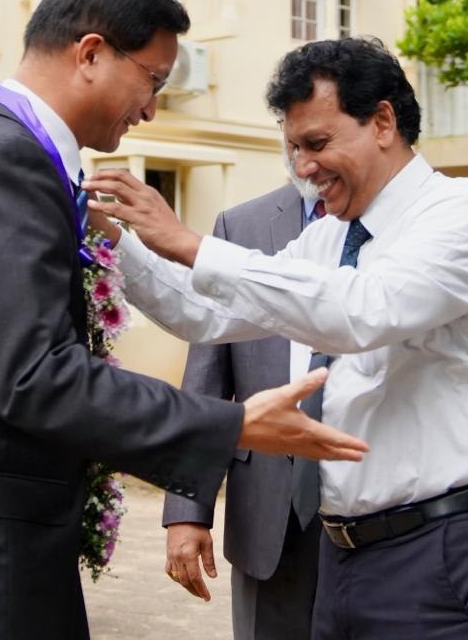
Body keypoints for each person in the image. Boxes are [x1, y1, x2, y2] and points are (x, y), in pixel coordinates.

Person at [0, 0, 366, 640]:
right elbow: (36, 378)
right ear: (90, 54)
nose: (153, 106)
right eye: (153, 79)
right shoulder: (2, 163)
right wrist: (230, 425)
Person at [87, 36, 468, 639]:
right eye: (294, 148)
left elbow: (363, 311)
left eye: (318, 144)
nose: (302, 168)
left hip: (441, 549)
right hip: (345, 554)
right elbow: (207, 312)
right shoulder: (331, 237)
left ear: (383, 122)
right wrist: (110, 238)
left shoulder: (464, 210)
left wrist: (192, 244)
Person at [161, 172, 326, 639]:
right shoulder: (240, 226)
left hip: (375, 510)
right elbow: (206, 380)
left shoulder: (405, 224)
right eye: (293, 142)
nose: (305, 159)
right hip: (266, 507)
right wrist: (187, 510)